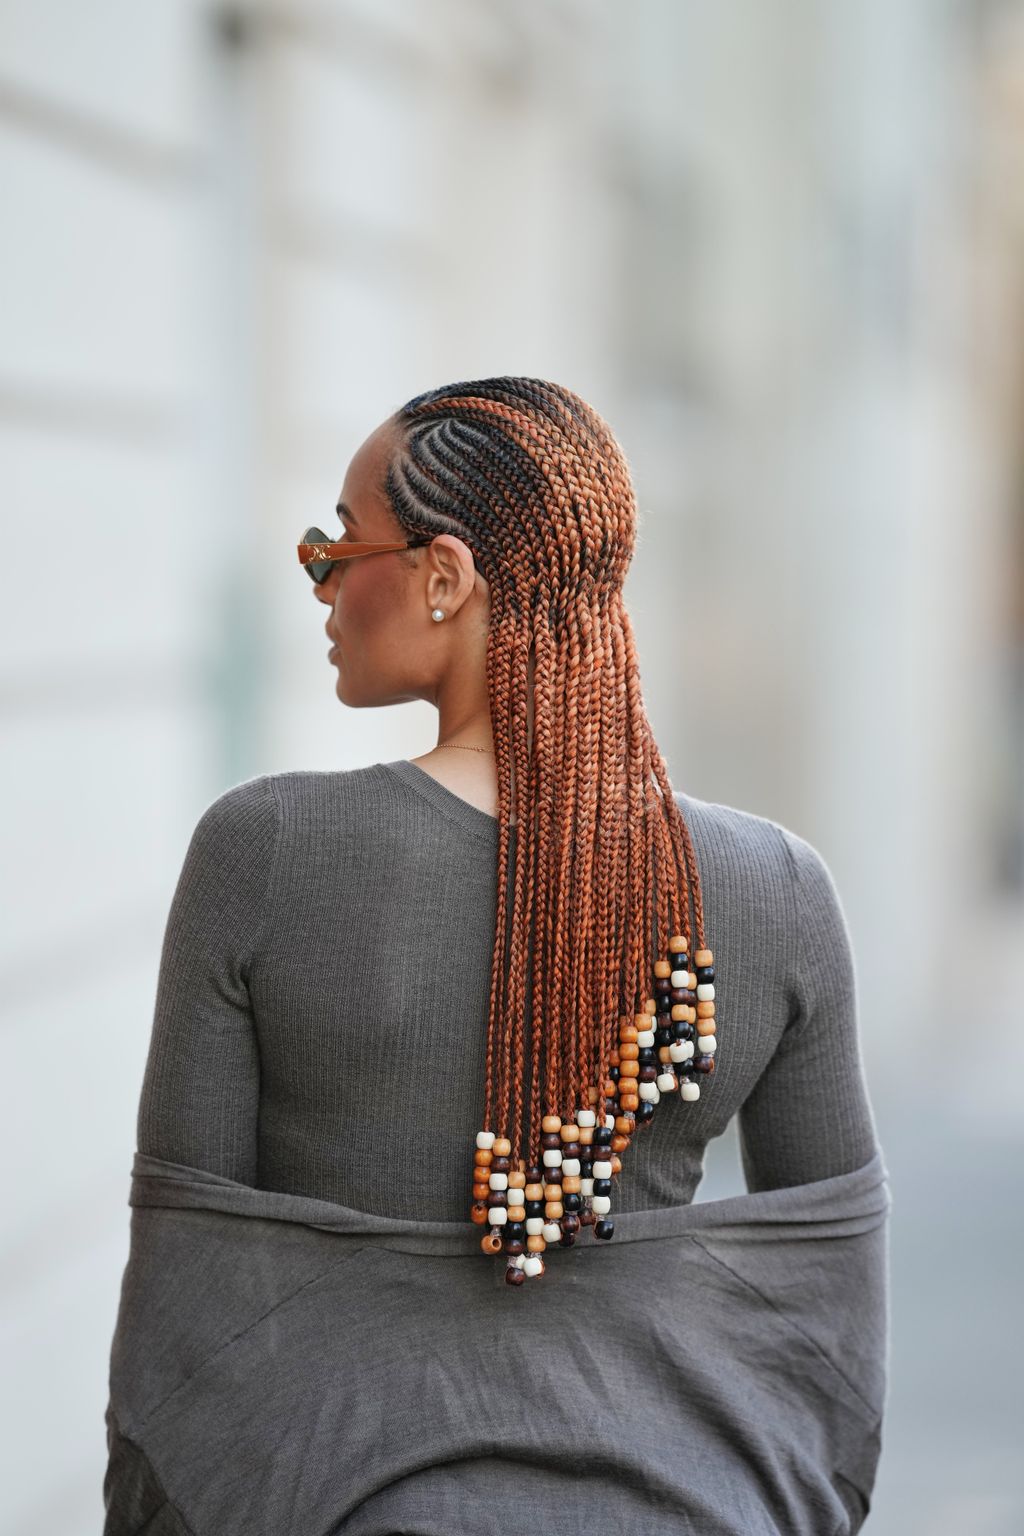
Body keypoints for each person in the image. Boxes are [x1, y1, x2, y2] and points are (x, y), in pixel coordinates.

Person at [103, 377, 889, 1535]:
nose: (317, 578)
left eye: (334, 542)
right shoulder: (774, 886)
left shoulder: (261, 853)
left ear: (443, 576)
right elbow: (832, 1326)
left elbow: (187, 1303)